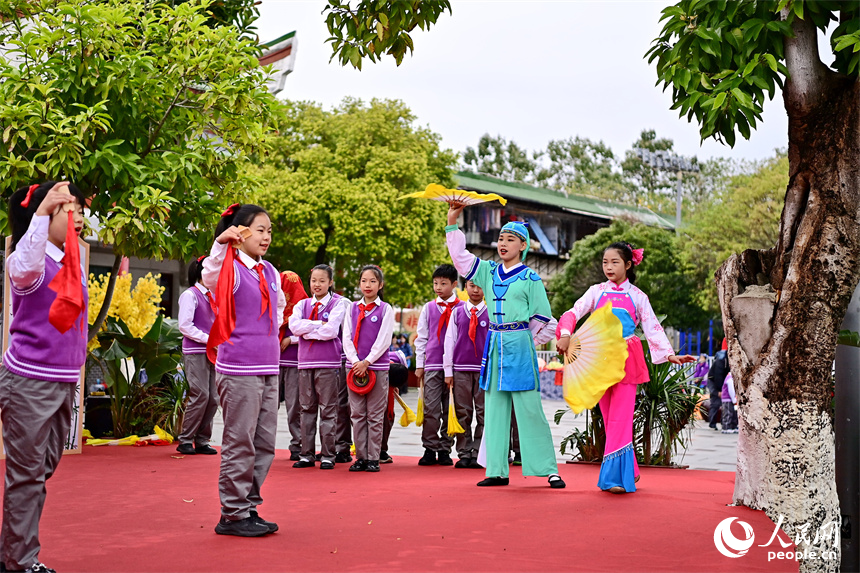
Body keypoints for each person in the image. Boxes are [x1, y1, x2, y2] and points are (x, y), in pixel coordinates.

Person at [557, 242, 695, 494]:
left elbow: (653, 327)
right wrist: (565, 333)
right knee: (610, 420)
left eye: (615, 262)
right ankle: (629, 469)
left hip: (627, 359)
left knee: (621, 418)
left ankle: (615, 479)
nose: (608, 267)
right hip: (599, 358)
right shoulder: (596, 291)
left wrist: (670, 355)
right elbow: (573, 312)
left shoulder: (638, 296)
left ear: (628, 265)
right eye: (604, 262)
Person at [445, 204, 564, 489]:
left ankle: (548, 469)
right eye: (500, 239)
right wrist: (452, 221)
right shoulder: (487, 271)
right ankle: (496, 470)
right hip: (495, 345)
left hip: (520, 345)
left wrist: (528, 341)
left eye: (510, 239)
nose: (503, 243)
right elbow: (461, 260)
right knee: (495, 409)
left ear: (523, 246)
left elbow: (544, 318)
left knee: (529, 408)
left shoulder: (531, 278)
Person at [1, 181, 87, 573]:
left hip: (62, 381)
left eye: (81, 210)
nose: (80, 218)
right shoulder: (30, 261)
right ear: (46, 215)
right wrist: (38, 214)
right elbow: (23, 265)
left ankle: (11, 548)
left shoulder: (71, 262)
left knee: (41, 468)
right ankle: (20, 561)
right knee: (28, 475)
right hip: (29, 382)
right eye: (69, 209)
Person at [202, 203, 285, 537]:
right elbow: (211, 272)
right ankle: (233, 514)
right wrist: (221, 243)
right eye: (259, 230)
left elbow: (277, 310)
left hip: (269, 366)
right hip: (238, 368)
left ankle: (248, 506)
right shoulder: (229, 269)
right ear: (241, 232)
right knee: (240, 442)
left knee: (264, 443)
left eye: (269, 231)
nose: (266, 237)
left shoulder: (270, 272)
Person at [288, 264, 347, 470]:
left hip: (328, 363)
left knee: (329, 409)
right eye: (314, 280)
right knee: (306, 409)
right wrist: (317, 325)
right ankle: (306, 454)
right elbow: (293, 327)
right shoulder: (301, 304)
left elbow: (331, 331)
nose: (317, 285)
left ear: (331, 282)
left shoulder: (339, 304)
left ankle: (329, 454)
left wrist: (307, 327)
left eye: (322, 281)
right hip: (304, 362)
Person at [342, 265, 395, 472]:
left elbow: (384, 340)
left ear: (380, 285)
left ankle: (374, 457)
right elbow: (346, 336)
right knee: (356, 414)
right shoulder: (352, 308)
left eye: (373, 281)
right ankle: (361, 457)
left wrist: (367, 362)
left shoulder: (385, 309)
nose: (368, 285)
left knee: (374, 414)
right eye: (364, 280)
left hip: (377, 368)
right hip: (353, 368)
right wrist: (355, 361)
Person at [413, 264, 462, 466]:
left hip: (456, 366)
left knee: (450, 408)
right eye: (435, 283)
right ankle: (429, 447)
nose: (438, 287)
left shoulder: (462, 308)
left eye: (443, 283)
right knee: (431, 407)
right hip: (433, 363)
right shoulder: (429, 308)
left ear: (454, 284)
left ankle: (445, 448)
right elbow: (422, 337)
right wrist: (419, 363)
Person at [176, 256, 218, 456]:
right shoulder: (190, 295)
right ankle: (185, 439)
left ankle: (202, 440)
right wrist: (209, 339)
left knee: (214, 398)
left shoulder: (213, 297)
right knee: (200, 394)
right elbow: (185, 326)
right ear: (201, 273)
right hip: (196, 352)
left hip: (213, 351)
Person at [443, 279, 487, 469]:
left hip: (485, 370)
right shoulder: (457, 312)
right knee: (463, 412)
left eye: (480, 285)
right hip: (460, 369)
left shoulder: (492, 312)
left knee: (484, 413)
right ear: (465, 287)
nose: (475, 290)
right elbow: (449, 341)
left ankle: (479, 452)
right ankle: (463, 453)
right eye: (472, 286)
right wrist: (448, 370)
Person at [278, 271, 309, 461]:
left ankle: (297, 444)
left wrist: (291, 339)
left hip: (295, 361)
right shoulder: (273, 302)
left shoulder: (304, 305)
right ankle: (260, 442)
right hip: (272, 361)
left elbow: (310, 329)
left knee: (295, 406)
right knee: (267, 406)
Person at [381, 349, 409, 463]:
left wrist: (393, 386)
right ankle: (377, 451)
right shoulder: (385, 367)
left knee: (387, 420)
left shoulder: (391, 369)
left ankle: (381, 450)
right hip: (378, 403)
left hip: (388, 404)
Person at [708, 340, 729, 431]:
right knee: (715, 403)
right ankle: (712, 423)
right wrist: (719, 391)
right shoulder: (721, 361)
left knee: (725, 404)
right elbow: (718, 376)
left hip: (724, 383)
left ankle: (723, 422)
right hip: (715, 383)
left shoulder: (726, 359)